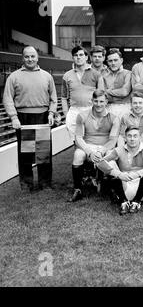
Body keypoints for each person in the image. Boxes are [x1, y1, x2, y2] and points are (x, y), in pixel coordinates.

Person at [3, 45, 57, 191]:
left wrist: (51, 113)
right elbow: (7, 99)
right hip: (23, 117)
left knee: (43, 152)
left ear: (37, 57)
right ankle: (26, 184)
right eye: (27, 56)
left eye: (33, 56)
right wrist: (14, 117)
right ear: (22, 58)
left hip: (42, 116)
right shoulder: (14, 76)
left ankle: (45, 183)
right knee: (25, 153)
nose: (30, 59)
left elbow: (53, 98)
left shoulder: (47, 76)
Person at [68, 90, 120, 202]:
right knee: (78, 154)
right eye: (96, 101)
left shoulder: (114, 118)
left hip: (105, 146)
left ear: (106, 102)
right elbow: (78, 138)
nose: (98, 104)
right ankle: (78, 189)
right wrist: (89, 151)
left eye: (101, 101)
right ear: (92, 101)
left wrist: (102, 151)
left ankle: (112, 189)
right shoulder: (82, 116)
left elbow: (113, 140)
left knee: (111, 155)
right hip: (88, 146)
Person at [98, 126, 143, 215]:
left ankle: (136, 202)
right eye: (129, 136)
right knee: (111, 163)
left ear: (140, 137)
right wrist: (119, 174)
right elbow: (99, 163)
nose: (132, 139)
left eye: (135, 136)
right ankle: (123, 202)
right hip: (124, 187)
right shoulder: (119, 150)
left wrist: (138, 174)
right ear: (125, 138)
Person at [61, 45, 104, 139]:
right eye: (76, 55)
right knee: (76, 140)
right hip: (74, 111)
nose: (78, 57)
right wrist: (66, 114)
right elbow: (64, 97)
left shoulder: (96, 74)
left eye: (81, 55)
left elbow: (101, 97)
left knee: (90, 140)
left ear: (86, 57)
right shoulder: (67, 76)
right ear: (73, 58)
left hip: (90, 110)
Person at [103, 48, 132, 119]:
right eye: (110, 61)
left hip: (125, 108)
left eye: (115, 60)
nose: (113, 63)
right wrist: (120, 96)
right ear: (107, 62)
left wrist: (108, 91)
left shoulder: (128, 73)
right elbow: (103, 95)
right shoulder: (103, 75)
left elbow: (124, 92)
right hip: (108, 108)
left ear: (121, 60)